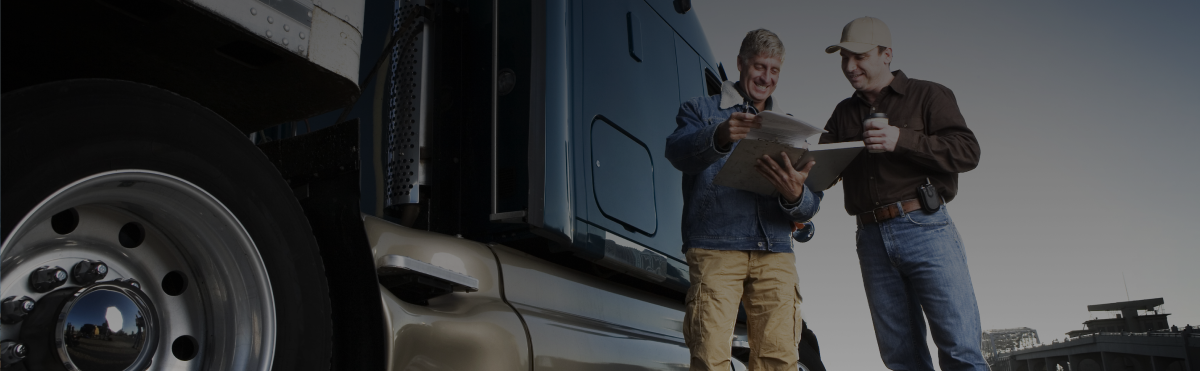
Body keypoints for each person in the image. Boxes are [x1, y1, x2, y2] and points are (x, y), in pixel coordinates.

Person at [819, 17, 985, 370]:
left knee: (960, 353)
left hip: (926, 228)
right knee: (901, 360)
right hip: (871, 240)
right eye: (843, 57)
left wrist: (901, 139)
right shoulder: (842, 113)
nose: (849, 67)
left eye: (859, 56)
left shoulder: (929, 94)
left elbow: (967, 152)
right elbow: (819, 172)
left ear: (886, 55)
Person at [666, 29, 822, 371]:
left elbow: (811, 205)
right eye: (759, 66)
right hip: (716, 248)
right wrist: (718, 135)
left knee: (780, 361)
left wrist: (796, 195)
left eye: (774, 70)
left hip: (775, 251)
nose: (766, 78)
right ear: (741, 63)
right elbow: (676, 152)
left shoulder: (794, 129)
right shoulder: (701, 110)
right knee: (710, 358)